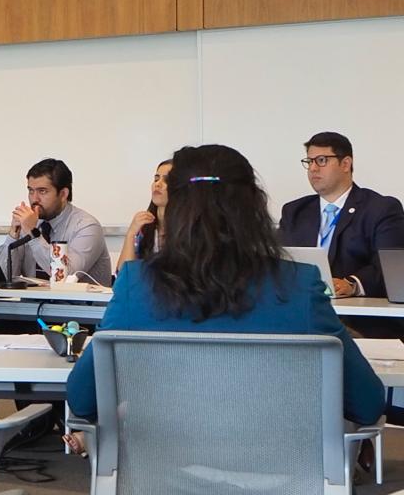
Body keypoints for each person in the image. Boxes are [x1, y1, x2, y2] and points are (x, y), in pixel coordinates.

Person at [67, 144, 385, 429]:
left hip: (165, 477)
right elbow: (368, 404)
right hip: (283, 478)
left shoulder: (135, 285)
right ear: (254, 207)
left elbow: (81, 400)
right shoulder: (300, 286)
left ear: (175, 209)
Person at [280, 131, 404, 298]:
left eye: (322, 160)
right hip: (305, 310)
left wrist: (352, 284)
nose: (313, 168)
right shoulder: (294, 211)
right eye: (309, 161)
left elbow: (390, 267)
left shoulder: (381, 209)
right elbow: (280, 262)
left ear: (345, 164)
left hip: (358, 317)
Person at [0, 158, 110, 286]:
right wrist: (13, 235)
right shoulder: (30, 223)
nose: (34, 199)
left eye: (42, 191)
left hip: (76, 305)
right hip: (33, 304)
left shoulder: (87, 226)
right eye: (31, 191)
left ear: (63, 194)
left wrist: (33, 234)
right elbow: (1, 280)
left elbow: (64, 276)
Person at [116, 159, 173, 272]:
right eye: (156, 179)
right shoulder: (144, 226)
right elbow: (123, 276)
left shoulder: (189, 230)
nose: (158, 184)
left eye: (166, 180)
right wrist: (131, 234)